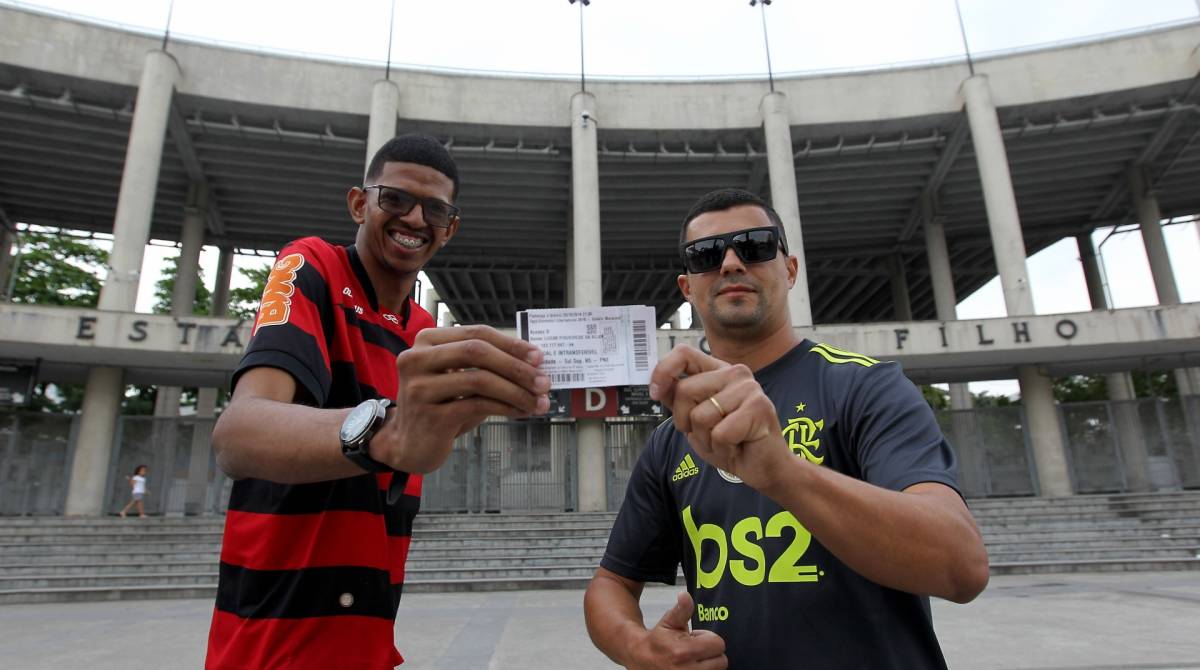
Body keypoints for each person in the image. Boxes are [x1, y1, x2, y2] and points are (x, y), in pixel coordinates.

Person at [583, 188, 990, 669]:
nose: (731, 263)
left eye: (754, 245)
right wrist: (637, 648)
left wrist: (781, 471)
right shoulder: (673, 438)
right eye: (707, 255)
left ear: (790, 269)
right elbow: (611, 583)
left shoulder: (865, 387)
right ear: (687, 287)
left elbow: (961, 566)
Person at [204, 133, 551, 670]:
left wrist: (481, 403)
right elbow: (237, 435)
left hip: (368, 640)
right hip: (272, 642)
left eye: (433, 209)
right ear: (359, 203)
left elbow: (411, 446)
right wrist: (386, 431)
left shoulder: (423, 331)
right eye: (394, 199)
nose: (414, 218)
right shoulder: (311, 264)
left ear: (450, 228)